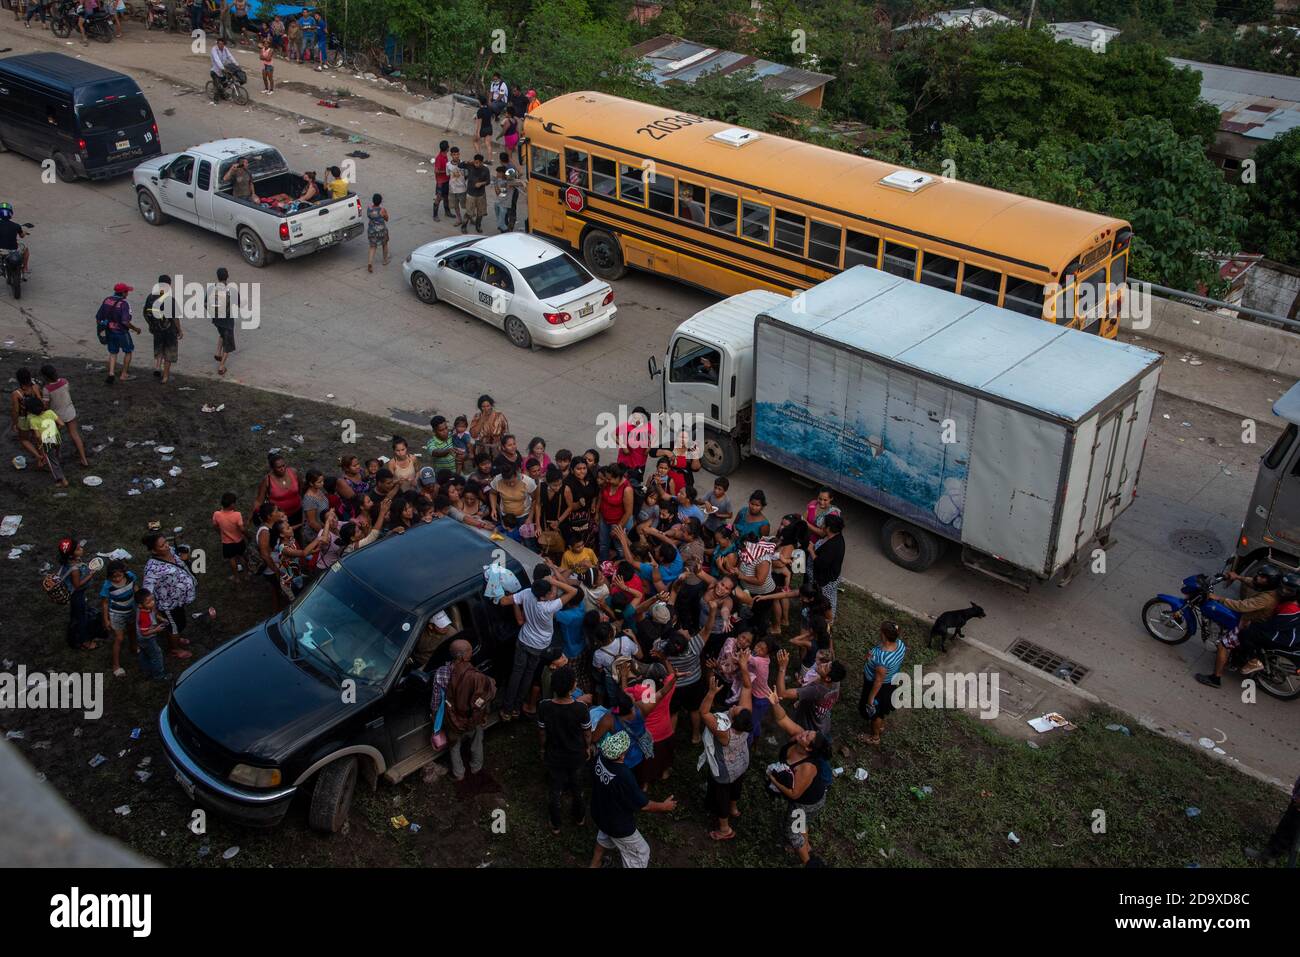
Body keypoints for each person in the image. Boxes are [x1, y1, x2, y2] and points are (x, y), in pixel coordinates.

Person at [589, 731, 677, 869]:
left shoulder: (601, 758)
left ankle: (595, 864)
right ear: (622, 755)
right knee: (641, 853)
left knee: (604, 835)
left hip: (601, 812)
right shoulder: (624, 775)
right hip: (618, 824)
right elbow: (643, 805)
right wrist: (664, 806)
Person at [764, 690, 832, 866]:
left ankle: (809, 863)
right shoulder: (799, 736)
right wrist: (775, 703)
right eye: (807, 731)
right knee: (802, 824)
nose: (803, 733)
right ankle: (807, 846)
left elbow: (794, 794)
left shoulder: (807, 767)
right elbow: (782, 719)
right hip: (806, 799)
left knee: (794, 833)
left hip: (807, 803)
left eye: (806, 736)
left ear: (809, 749)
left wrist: (774, 779)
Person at [500, 573, 579, 719]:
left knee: (516, 674)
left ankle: (507, 709)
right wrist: (554, 580)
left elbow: (504, 601)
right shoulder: (549, 607)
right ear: (543, 596)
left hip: (524, 640)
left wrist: (506, 593)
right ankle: (517, 708)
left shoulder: (527, 593)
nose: (552, 593)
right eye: (550, 592)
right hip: (538, 645)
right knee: (528, 674)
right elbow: (573, 591)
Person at [1196, 564, 1282, 688]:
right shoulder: (1271, 589)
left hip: (1249, 623)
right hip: (1251, 619)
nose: (1258, 577)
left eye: (1263, 577)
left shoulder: (1267, 598)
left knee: (1223, 645)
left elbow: (1242, 606)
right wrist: (1238, 577)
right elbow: (1253, 582)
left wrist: (1219, 598)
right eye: (1260, 575)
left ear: (1270, 581)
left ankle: (1215, 679)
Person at [699, 662, 753, 841]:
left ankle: (724, 829)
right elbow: (747, 686)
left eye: (734, 710)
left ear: (734, 722)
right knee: (736, 786)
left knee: (721, 795)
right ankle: (734, 808)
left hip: (725, 772)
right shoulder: (747, 718)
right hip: (742, 764)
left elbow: (704, 713)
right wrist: (744, 666)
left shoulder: (724, 734)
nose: (733, 706)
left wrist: (711, 693)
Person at [537, 665, 592, 833]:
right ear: (572, 687)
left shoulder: (544, 706)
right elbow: (587, 733)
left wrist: (542, 749)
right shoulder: (581, 709)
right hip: (576, 755)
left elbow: (542, 733)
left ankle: (555, 824)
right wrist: (588, 747)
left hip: (554, 755)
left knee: (555, 790)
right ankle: (579, 817)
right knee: (577, 788)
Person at [140, 531, 196, 659]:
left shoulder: (170, 550)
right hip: (168, 605)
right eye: (162, 545)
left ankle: (177, 637)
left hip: (178, 600)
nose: (166, 546)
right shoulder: (152, 568)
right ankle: (175, 649)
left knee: (179, 622)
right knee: (173, 626)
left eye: (165, 542)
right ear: (154, 550)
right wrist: (154, 612)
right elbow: (147, 591)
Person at [775, 648, 844, 739]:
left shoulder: (816, 690)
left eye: (825, 667)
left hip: (809, 728)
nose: (822, 664)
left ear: (827, 679)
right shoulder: (836, 681)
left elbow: (782, 694)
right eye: (827, 663)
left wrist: (782, 668)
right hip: (823, 723)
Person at [859, 621, 906, 744]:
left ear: (884, 635)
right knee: (882, 710)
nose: (879, 632)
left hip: (879, 688)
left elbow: (878, 680)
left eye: (881, 631)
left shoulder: (882, 658)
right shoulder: (900, 644)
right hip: (890, 682)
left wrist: (871, 699)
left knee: (875, 714)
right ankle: (880, 727)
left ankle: (875, 737)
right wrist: (871, 658)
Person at [38, 366, 88, 467]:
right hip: (70, 412)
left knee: (56, 437)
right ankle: (84, 459)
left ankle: (57, 456)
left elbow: (45, 406)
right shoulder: (65, 382)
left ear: (45, 377)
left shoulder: (47, 389)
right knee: (75, 435)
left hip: (57, 416)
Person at [55, 537, 98, 650]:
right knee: (81, 617)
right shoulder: (74, 569)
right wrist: (90, 575)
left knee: (76, 613)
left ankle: (74, 626)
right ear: (71, 555)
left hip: (74, 595)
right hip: (77, 595)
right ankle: (84, 641)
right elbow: (77, 585)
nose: (81, 549)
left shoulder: (69, 562)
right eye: (78, 549)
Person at [99, 560, 138, 677]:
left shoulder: (131, 576)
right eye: (113, 577)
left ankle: (134, 647)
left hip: (131, 610)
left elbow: (135, 587)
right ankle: (116, 665)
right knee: (119, 638)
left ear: (124, 572)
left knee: (132, 630)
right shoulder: (107, 585)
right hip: (116, 614)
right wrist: (106, 620)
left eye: (119, 576)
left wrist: (139, 600)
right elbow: (105, 603)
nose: (116, 579)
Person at [141, 276, 183, 383]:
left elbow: (145, 313)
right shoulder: (170, 299)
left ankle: (157, 367)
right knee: (168, 353)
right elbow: (175, 318)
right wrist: (180, 330)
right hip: (169, 331)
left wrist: (151, 325)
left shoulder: (150, 297)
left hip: (156, 329)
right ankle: (165, 377)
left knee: (159, 348)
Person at [97, 282, 139, 384]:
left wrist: (102, 329)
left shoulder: (107, 300)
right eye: (127, 291)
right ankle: (124, 374)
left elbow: (98, 317)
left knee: (113, 353)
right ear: (123, 293)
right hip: (121, 332)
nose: (128, 293)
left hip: (109, 331)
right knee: (128, 351)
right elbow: (125, 321)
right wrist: (136, 328)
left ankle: (111, 373)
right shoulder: (124, 304)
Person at [253, 452, 303, 530]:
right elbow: (259, 501)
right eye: (279, 467)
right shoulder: (267, 480)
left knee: (297, 531)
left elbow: (301, 488)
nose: (282, 469)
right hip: (279, 517)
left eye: (284, 465)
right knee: (283, 534)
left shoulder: (293, 472)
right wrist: (253, 516)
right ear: (273, 468)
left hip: (297, 511)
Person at [24, 395, 66, 486]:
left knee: (52, 461)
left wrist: (40, 443)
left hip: (47, 442)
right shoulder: (50, 412)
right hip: (57, 438)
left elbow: (37, 436)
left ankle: (62, 479)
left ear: (30, 411)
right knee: (57, 451)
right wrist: (56, 429)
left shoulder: (33, 420)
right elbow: (62, 424)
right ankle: (59, 459)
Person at [810, 513, 846, 619]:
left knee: (824, 602)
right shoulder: (836, 536)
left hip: (826, 580)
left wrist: (811, 550)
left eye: (824, 524)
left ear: (829, 528)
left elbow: (820, 564)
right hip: (832, 576)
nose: (822, 525)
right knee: (830, 599)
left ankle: (825, 621)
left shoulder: (832, 547)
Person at [207, 267, 238, 376]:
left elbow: (205, 303)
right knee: (228, 344)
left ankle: (217, 352)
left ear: (217, 277)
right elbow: (238, 303)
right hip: (227, 321)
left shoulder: (211, 289)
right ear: (227, 276)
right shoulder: (231, 290)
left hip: (216, 320)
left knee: (222, 334)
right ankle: (221, 366)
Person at [134, 590, 170, 680]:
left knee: (144, 653)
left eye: (152, 600)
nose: (152, 603)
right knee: (156, 655)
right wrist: (156, 630)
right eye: (148, 602)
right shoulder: (144, 616)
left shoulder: (146, 608)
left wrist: (161, 618)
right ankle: (159, 675)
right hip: (147, 639)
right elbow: (144, 632)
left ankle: (146, 670)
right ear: (140, 605)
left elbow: (153, 614)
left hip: (140, 638)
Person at [212, 491, 247, 578]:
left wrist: (220, 532)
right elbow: (242, 529)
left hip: (226, 542)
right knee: (242, 556)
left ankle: (236, 577)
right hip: (239, 540)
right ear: (232, 504)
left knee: (232, 559)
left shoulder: (216, 514)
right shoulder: (237, 515)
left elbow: (215, 526)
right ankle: (246, 574)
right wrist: (247, 535)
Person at [469, 394, 508, 461]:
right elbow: (473, 435)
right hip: (482, 450)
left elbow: (505, 433)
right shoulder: (477, 416)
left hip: (497, 449)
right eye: (483, 407)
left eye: (488, 406)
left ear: (491, 405)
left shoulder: (499, 416)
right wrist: (482, 420)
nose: (486, 409)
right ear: (480, 407)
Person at [462, 154, 491, 234]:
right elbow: (460, 165)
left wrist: (481, 183)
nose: (476, 164)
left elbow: (488, 181)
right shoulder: (470, 166)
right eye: (475, 162)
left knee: (480, 212)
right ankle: (464, 226)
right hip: (470, 194)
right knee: (469, 212)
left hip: (481, 194)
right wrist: (467, 161)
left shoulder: (485, 170)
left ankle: (478, 225)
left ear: (481, 162)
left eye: (478, 163)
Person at [0, 201, 29, 276]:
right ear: (10, 213)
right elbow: (21, 236)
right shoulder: (16, 225)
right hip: (13, 250)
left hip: (1, 250)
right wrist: (25, 232)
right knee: (26, 249)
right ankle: (25, 268)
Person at [210, 37, 240, 102]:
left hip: (223, 70)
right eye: (220, 44)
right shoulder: (214, 49)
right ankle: (215, 100)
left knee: (225, 84)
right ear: (217, 44)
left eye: (222, 44)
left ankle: (223, 95)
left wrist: (236, 64)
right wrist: (223, 68)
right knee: (218, 85)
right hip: (215, 71)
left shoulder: (225, 49)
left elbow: (230, 56)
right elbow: (217, 60)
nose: (221, 46)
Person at [366, 193, 389, 272]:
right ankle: (385, 260)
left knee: (373, 247)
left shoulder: (369, 209)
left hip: (372, 231)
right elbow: (387, 219)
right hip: (381, 231)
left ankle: (370, 263)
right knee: (384, 244)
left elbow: (369, 216)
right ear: (380, 201)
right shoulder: (382, 210)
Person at [446, 146, 468, 228]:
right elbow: (448, 175)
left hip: (462, 189)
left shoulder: (463, 164)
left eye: (457, 154)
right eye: (454, 154)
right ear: (451, 155)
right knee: (455, 206)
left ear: (459, 154)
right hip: (452, 189)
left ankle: (470, 218)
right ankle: (459, 219)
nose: (456, 156)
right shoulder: (448, 165)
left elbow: (466, 175)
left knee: (465, 206)